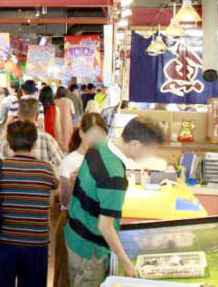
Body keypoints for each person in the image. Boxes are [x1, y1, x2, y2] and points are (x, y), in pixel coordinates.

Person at [65, 116, 165, 286]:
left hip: (74, 235)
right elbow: (105, 226)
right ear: (135, 144)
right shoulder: (114, 176)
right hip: (90, 250)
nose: (151, 156)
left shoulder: (99, 146)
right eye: (151, 150)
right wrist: (126, 263)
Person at [0, 120, 57, 287]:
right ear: (34, 143)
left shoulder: (1, 168)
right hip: (37, 241)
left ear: (9, 143)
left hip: (6, 239)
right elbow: (53, 193)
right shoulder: (46, 169)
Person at [0, 97, 63, 168]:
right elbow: (61, 165)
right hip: (40, 178)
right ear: (37, 116)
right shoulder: (47, 139)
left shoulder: (7, 138)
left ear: (18, 115)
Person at [59, 113, 108, 209]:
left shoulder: (104, 160)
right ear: (82, 133)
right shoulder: (70, 161)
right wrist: (72, 184)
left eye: (102, 136)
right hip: (76, 220)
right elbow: (65, 202)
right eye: (94, 135)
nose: (97, 141)